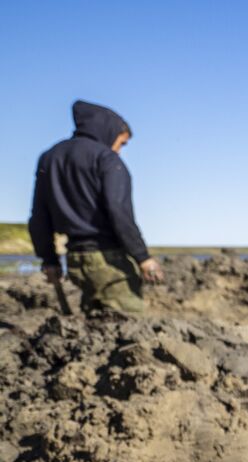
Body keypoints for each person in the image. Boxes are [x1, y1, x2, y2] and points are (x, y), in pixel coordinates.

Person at [29, 100, 164, 315]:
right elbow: (119, 211)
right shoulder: (106, 159)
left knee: (94, 322)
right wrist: (143, 257)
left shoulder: (50, 158)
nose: (119, 151)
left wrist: (49, 259)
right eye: (122, 143)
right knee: (131, 323)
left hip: (74, 260)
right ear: (109, 132)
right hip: (108, 260)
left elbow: (39, 216)